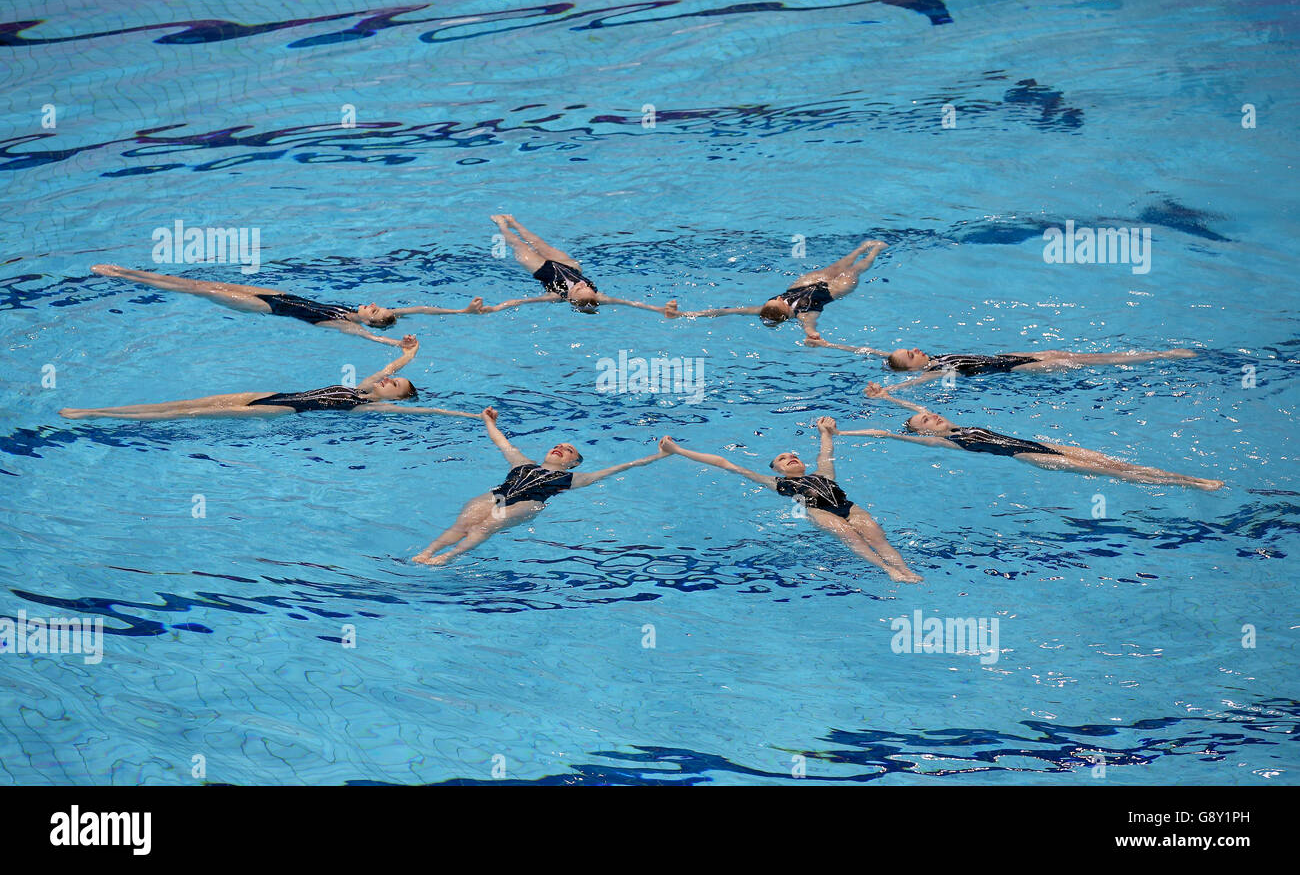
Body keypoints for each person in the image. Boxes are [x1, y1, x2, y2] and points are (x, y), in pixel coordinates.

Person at [659, 419, 923, 583]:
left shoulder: (823, 472)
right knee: (850, 536)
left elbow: (826, 449)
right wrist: (678, 450)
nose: (790, 457)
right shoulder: (775, 482)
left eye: (793, 454)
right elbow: (724, 463)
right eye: (783, 458)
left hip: (848, 507)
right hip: (819, 512)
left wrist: (825, 430)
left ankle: (905, 570)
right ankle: (888, 571)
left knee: (876, 535)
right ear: (777, 469)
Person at [841, 382, 1224, 490]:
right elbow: (884, 433)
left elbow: (913, 412)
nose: (933, 417)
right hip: (1024, 455)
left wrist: (889, 396)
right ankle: (1193, 485)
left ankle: (1185, 477)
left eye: (932, 414)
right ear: (926, 434)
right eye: (928, 421)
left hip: (1040, 442)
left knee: (1112, 462)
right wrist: (840, 430)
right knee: (1115, 474)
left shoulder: (959, 425)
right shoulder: (944, 441)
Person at [412, 407, 668, 564]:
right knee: (465, 522)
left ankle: (447, 557)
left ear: (573, 464)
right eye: (558, 445)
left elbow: (619, 468)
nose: (560, 448)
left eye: (568, 450)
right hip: (499, 494)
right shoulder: (522, 462)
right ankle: (427, 552)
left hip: (529, 504)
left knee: (488, 524)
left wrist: (659, 456)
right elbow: (502, 443)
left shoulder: (573, 478)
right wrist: (489, 421)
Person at [59, 336, 476, 420]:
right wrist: (410, 354)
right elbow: (389, 368)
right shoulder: (364, 385)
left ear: (392, 401)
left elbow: (423, 409)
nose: (389, 384)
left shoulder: (369, 406)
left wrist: (471, 417)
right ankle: (98, 407)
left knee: (185, 415)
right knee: (195, 399)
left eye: (395, 390)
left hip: (283, 409)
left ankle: (96, 415)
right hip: (273, 393)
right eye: (392, 383)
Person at [89, 263, 483, 345]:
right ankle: (128, 271)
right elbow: (418, 310)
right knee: (197, 281)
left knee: (195, 290)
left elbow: (373, 341)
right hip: (281, 295)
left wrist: (397, 346)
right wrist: (462, 312)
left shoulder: (345, 325)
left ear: (371, 322)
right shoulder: (351, 312)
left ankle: (122, 277)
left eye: (375, 311)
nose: (374, 304)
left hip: (269, 308)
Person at [664, 239, 886, 338]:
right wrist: (813, 335)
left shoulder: (766, 308)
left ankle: (861, 248)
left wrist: (685, 314)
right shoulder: (803, 314)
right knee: (853, 272)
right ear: (785, 311)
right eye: (779, 300)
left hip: (807, 283)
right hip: (833, 289)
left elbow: (726, 311)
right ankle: (874, 252)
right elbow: (810, 328)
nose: (780, 296)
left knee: (837, 265)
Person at [805, 336, 1197, 391]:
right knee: (1087, 361)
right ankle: (1160, 357)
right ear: (911, 367)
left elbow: (872, 353)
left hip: (1007, 356)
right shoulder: (933, 371)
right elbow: (912, 384)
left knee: (1078, 356)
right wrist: (886, 391)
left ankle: (1158, 354)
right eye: (912, 356)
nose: (918, 351)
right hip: (1013, 368)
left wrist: (828, 344)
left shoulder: (928, 361)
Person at [480, 215, 673, 315]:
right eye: (586, 286)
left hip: (540, 268)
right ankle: (514, 221)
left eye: (579, 289)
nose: (583, 285)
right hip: (569, 266)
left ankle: (502, 225)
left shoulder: (556, 296)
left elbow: (520, 302)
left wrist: (495, 308)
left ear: (570, 298)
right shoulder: (599, 297)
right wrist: (659, 309)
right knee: (539, 243)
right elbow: (632, 304)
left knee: (518, 244)